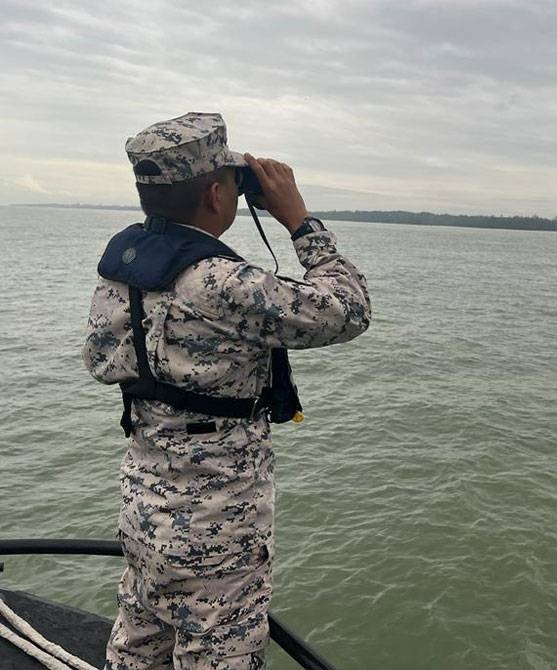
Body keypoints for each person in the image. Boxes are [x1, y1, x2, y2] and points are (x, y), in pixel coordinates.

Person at [83, 112, 371, 668]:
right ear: (217, 195)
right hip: (218, 520)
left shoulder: (123, 265)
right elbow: (349, 309)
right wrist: (300, 222)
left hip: (145, 499)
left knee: (140, 640)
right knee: (221, 650)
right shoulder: (221, 282)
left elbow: (100, 360)